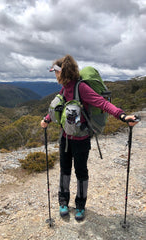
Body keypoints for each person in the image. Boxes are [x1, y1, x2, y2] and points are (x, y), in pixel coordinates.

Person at [40, 54, 138, 221]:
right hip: (65, 138)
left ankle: (80, 205)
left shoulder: (81, 88)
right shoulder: (65, 88)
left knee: (80, 172)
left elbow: (102, 103)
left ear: (63, 71)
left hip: (81, 140)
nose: (54, 75)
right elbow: (60, 106)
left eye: (55, 71)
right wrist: (47, 120)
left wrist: (122, 116)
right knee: (64, 171)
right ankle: (63, 201)